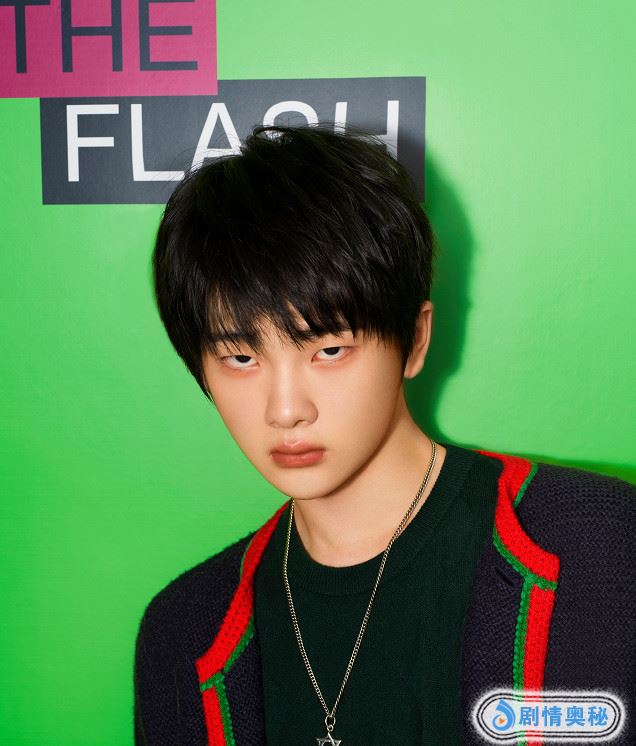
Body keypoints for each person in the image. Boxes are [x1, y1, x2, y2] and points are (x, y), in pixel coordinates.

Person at [134, 123, 636, 745]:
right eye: (241, 358)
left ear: (414, 339)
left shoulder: (604, 548)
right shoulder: (183, 632)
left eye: (329, 350)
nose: (285, 410)